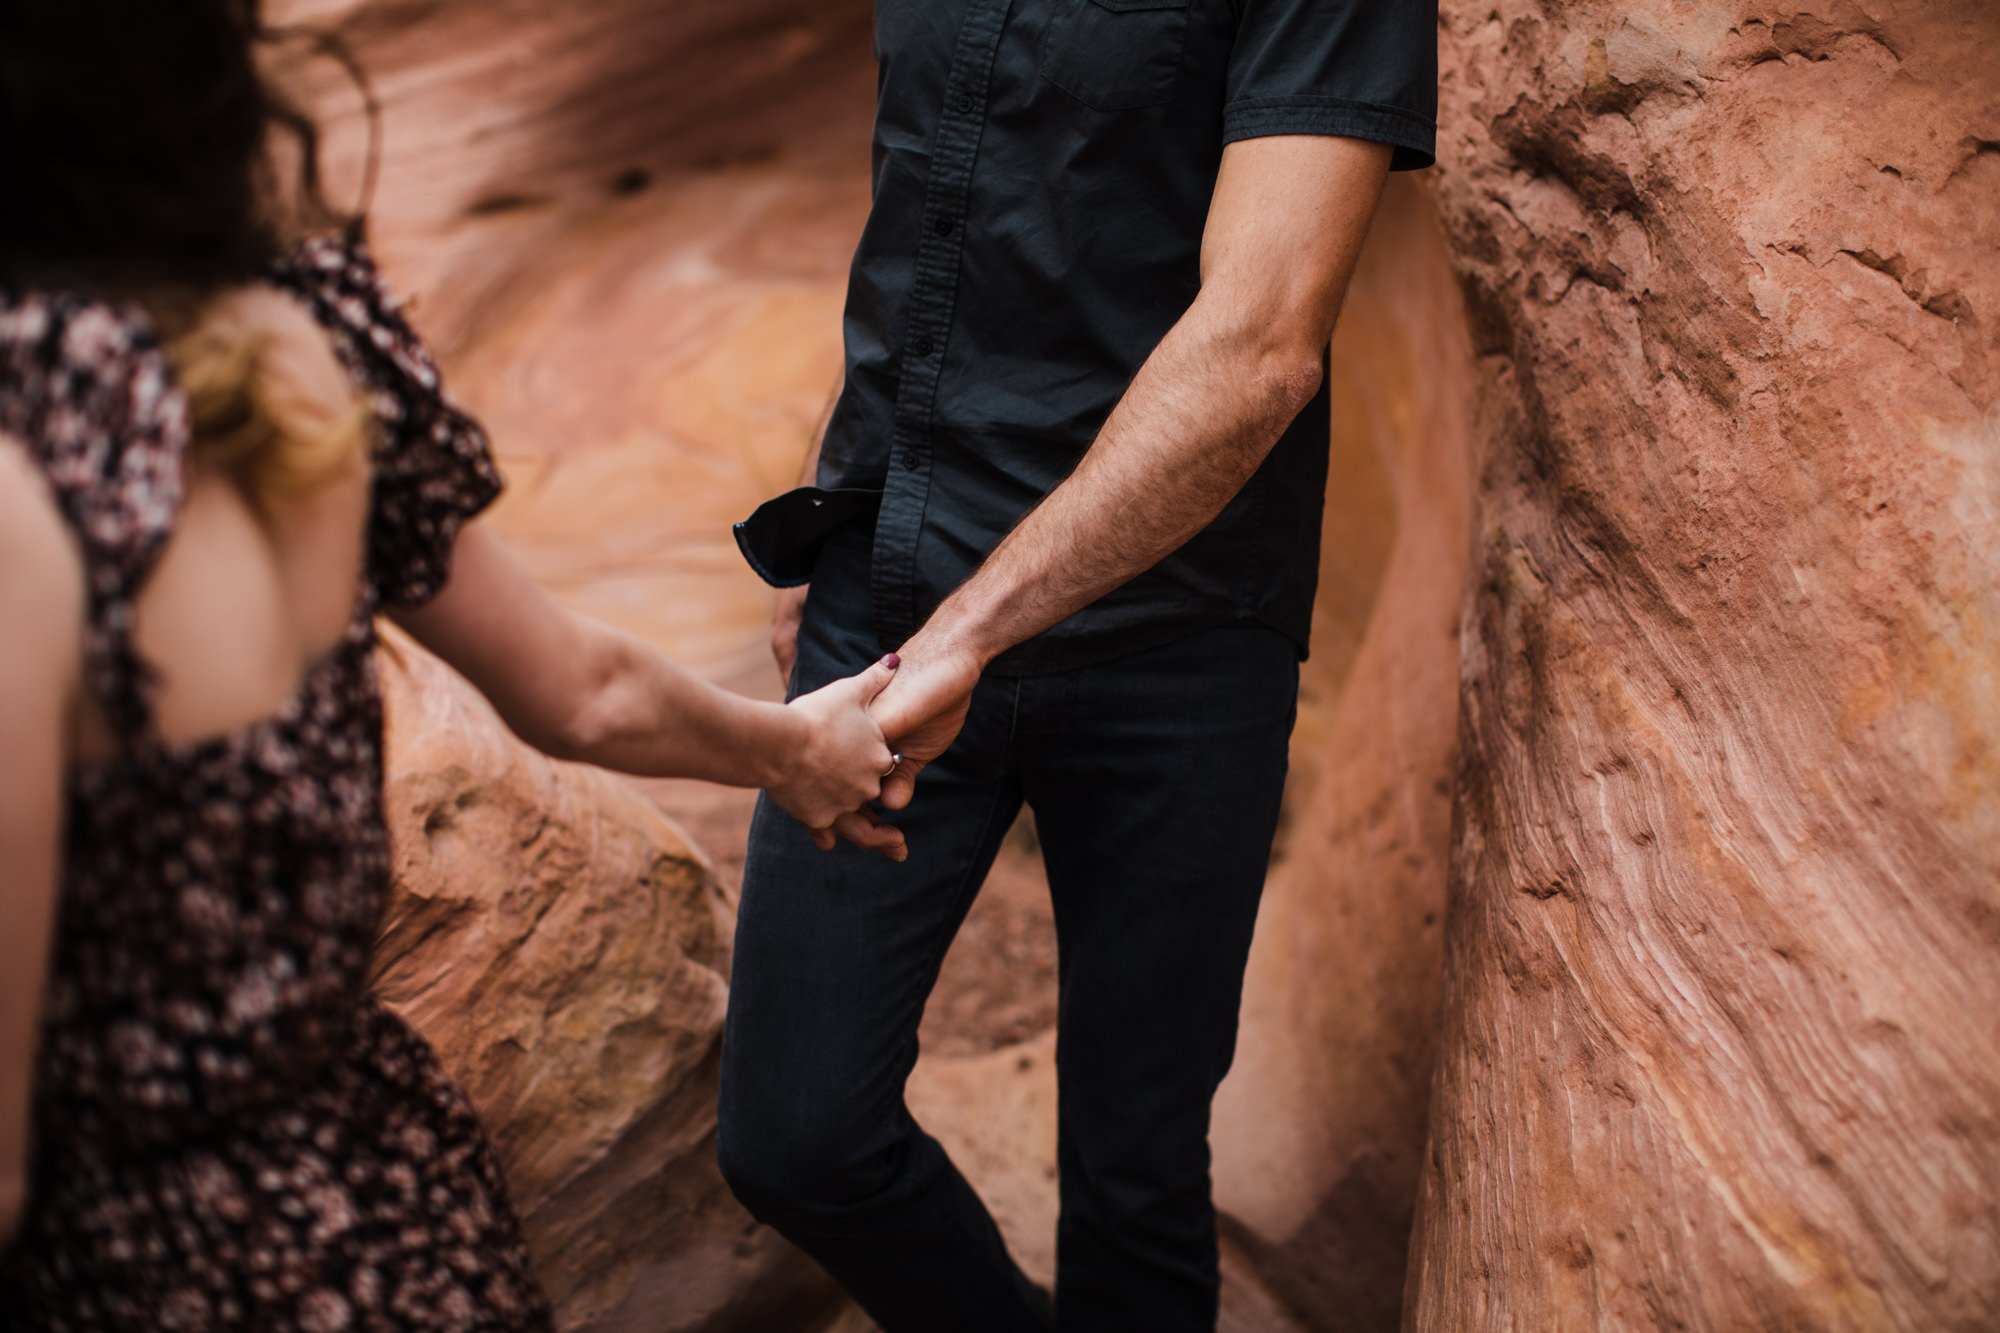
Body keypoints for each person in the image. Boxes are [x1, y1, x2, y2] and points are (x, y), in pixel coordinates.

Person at [0, 4, 902, 1328]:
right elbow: (578, 686)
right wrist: (798, 749)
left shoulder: (27, 443)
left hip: (139, 1275)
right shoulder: (312, 332)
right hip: (390, 1213)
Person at [718, 0, 1439, 1327]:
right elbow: (921, 214)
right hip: (892, 597)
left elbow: (1265, 343)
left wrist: (974, 629)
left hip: (1182, 638)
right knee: (794, 1135)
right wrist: (850, 499)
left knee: (1137, 1171)